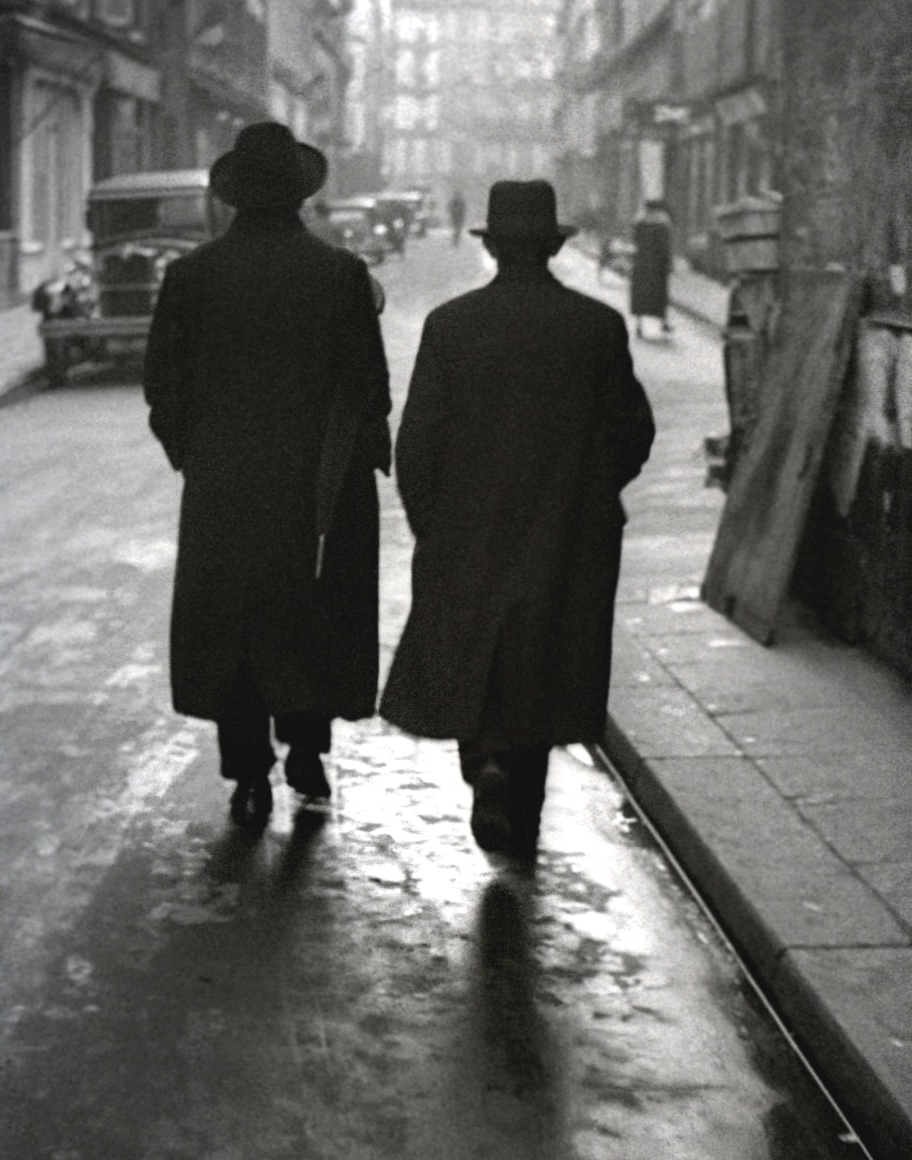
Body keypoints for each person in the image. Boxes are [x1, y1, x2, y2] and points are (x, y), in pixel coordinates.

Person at [380, 180, 655, 862]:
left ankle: (482, 762)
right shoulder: (596, 328)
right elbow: (632, 431)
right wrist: (589, 495)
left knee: (477, 651)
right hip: (564, 531)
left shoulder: (451, 326)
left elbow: (415, 444)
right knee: (543, 661)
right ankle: (521, 806)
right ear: (554, 246)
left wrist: (432, 523)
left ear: (495, 246)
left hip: (468, 530)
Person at [143, 121, 392, 831]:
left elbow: (162, 384)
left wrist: (195, 453)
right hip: (320, 483)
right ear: (301, 197)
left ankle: (248, 773)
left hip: (225, 485)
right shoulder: (340, 275)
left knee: (234, 627)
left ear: (233, 199)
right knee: (313, 615)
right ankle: (308, 752)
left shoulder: (190, 277)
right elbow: (369, 389)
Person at [630, 198, 674, 337]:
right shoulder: (663, 224)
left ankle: (639, 325)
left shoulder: (639, 222)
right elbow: (665, 245)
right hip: (657, 264)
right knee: (659, 294)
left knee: (640, 294)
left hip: (642, 263)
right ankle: (663, 322)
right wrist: (669, 262)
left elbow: (635, 240)